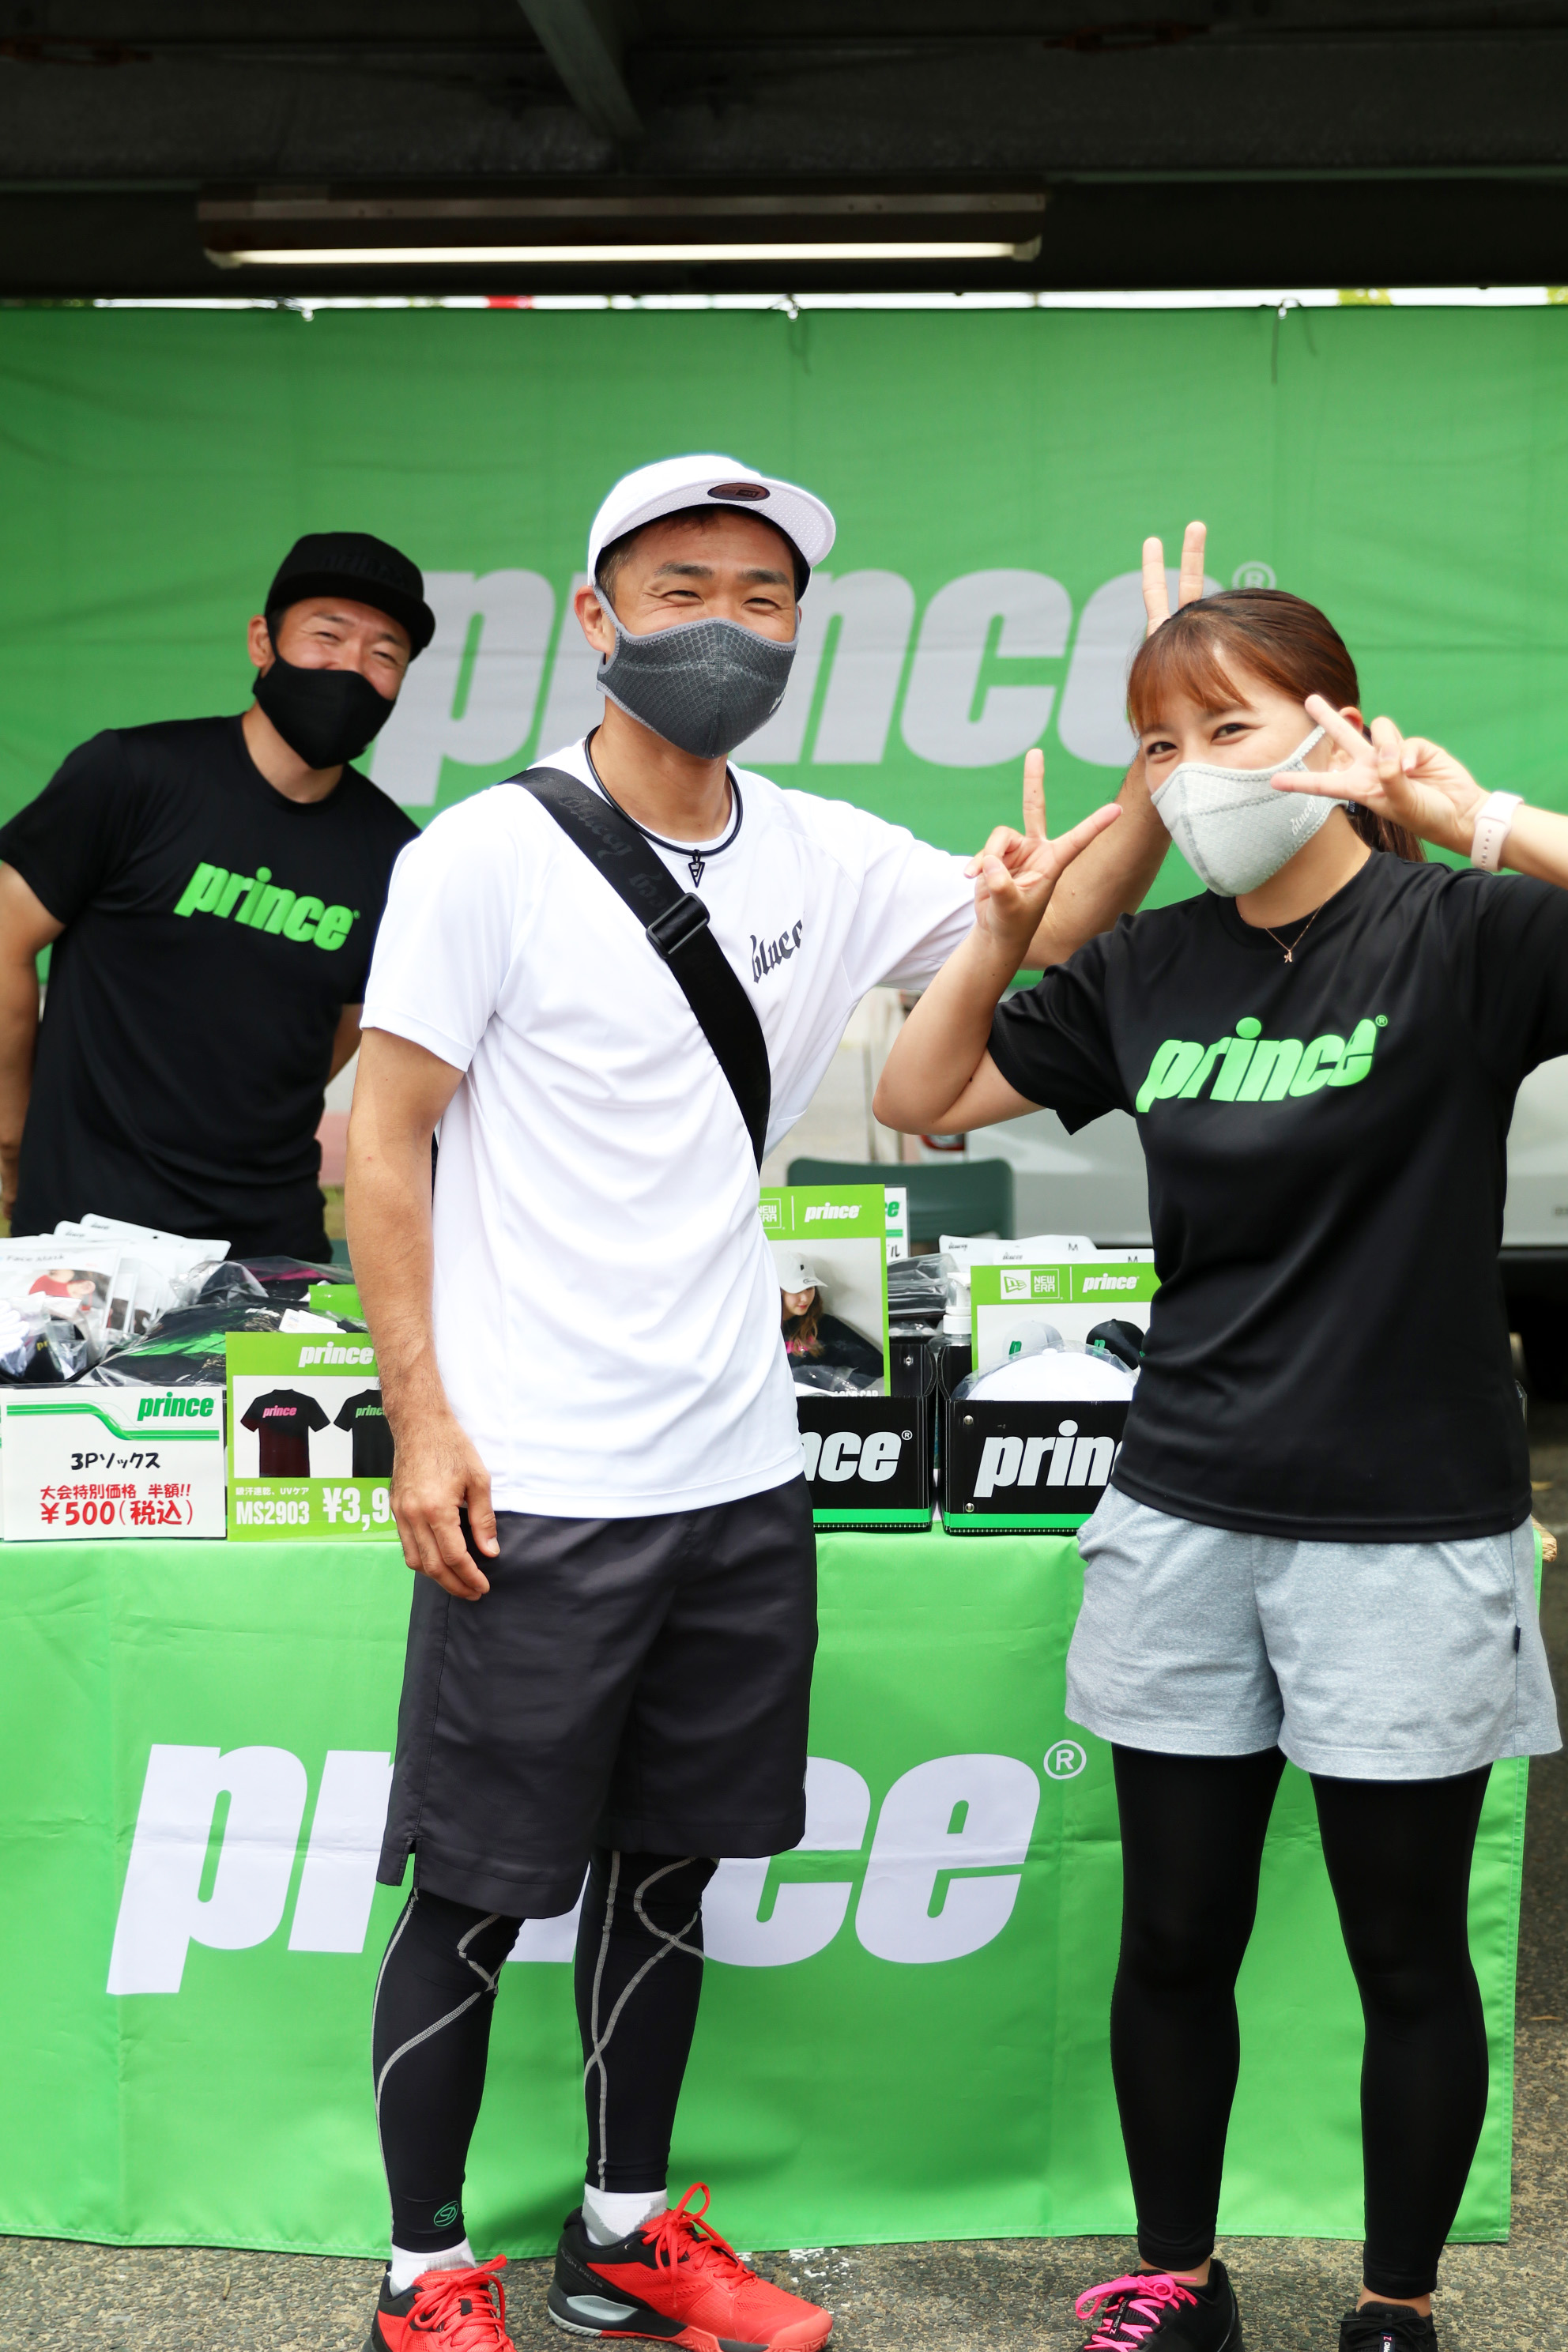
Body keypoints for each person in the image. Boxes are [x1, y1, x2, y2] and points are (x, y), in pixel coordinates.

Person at [345, 452, 1140, 2352]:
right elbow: (382, 1141)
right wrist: (424, 1421)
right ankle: (421, 2272)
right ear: (595, 615)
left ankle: (622, 2232)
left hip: (733, 1471)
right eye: (681, 587)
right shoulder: (480, 855)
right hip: (536, 1478)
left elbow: (1039, 924)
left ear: (800, 631)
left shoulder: (824, 852)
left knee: (668, 1874)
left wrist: (1151, 764)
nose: (725, 625)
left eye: (763, 596)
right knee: (476, 1893)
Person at [872, 552, 1565, 2352]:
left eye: (1226, 731)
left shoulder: (1461, 935)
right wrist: (1009, 926)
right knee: (1172, 1936)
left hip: (1404, 1527)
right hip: (1182, 1512)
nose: (1190, 777)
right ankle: (1174, 2281)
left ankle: (1394, 2303)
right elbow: (916, 1097)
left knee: (1402, 1947)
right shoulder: (1147, 967)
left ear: (1333, 730)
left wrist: (1477, 818)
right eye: (1157, 746)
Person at [0, 531, 429, 1258]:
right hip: (83, 1237)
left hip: (270, 1251)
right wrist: (12, 1141)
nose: (352, 668)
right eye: (327, 635)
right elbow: (6, 942)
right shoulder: (130, 774)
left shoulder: (400, 858)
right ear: (263, 641)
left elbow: (348, 1027)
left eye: (384, 654)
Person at [777, 1251, 884, 1383]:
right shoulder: (760, 1330)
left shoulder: (825, 1327)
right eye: (797, 1290)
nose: (805, 1298)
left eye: (810, 1288)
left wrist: (840, 1391)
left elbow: (877, 1364)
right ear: (778, 1290)